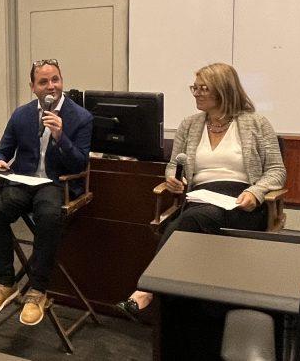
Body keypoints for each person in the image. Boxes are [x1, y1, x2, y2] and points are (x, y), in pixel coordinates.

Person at [116, 62, 287, 321]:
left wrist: (256, 193)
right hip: (199, 198)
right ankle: (177, 310)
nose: (195, 93)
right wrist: (174, 179)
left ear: (223, 90)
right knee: (196, 216)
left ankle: (147, 291)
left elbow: (277, 171)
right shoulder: (190, 124)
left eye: (202, 88)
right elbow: (175, 165)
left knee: (191, 219)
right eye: (193, 88)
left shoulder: (256, 123)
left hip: (241, 203)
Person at [0, 59, 93, 327]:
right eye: (43, 82)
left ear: (62, 81)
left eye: (55, 79)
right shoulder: (21, 114)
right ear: (33, 87)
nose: (51, 86)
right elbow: (2, 149)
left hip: (56, 183)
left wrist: (60, 136)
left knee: (49, 216)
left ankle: (37, 291)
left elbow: (80, 165)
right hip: (23, 180)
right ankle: (5, 283)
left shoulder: (81, 117)